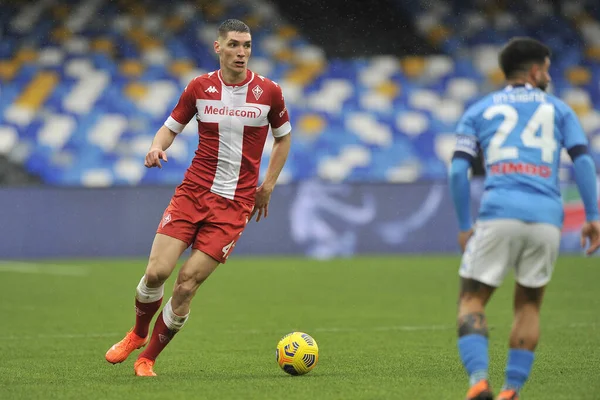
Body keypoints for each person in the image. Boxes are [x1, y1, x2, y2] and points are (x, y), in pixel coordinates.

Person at [104, 19, 292, 377]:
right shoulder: (199, 87)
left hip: (234, 206)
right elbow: (170, 126)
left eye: (248, 45)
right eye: (234, 45)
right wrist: (156, 147)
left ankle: (148, 359)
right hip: (193, 192)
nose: (242, 52)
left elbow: (284, 138)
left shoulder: (269, 92)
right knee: (157, 271)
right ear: (217, 47)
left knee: (187, 284)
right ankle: (137, 333)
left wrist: (267, 186)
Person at [449, 37, 600, 400]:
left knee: (472, 300)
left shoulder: (479, 110)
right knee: (529, 304)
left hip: (499, 211)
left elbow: (457, 172)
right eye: (546, 69)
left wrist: (464, 226)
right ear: (535, 71)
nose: (548, 75)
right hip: (548, 218)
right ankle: (511, 390)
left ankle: (479, 382)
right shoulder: (561, 110)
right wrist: (593, 215)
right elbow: (582, 160)